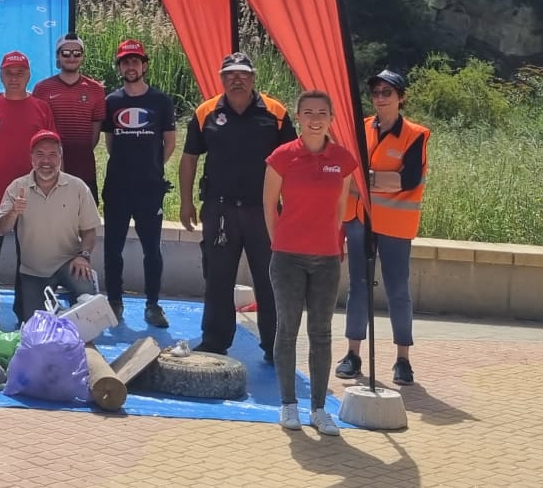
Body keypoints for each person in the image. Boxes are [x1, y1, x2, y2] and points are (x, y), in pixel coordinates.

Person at [178, 51, 295, 358]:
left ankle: (275, 345)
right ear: (221, 79)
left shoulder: (276, 112)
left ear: (253, 78)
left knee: (270, 278)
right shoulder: (206, 112)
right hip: (220, 210)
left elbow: (293, 163)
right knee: (218, 277)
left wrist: (291, 207)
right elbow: (189, 159)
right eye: (230, 74)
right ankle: (215, 341)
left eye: (243, 74)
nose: (237, 79)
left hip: (264, 212)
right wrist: (186, 202)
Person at [264, 90, 355, 436]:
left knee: (321, 333)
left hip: (327, 259)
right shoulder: (282, 157)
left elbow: (340, 207)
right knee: (287, 330)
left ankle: (319, 408)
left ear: (332, 118)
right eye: (308, 113)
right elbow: (269, 205)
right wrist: (280, 242)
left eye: (321, 113)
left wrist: (329, 241)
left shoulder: (342, 160)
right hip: (288, 257)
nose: (315, 119)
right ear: (298, 117)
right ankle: (288, 403)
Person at [337, 69, 430, 386]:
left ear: (401, 97)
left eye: (387, 92)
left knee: (397, 289)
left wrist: (366, 179)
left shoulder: (415, 135)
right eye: (376, 92)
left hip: (394, 224)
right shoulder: (359, 128)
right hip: (359, 220)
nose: (380, 98)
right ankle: (352, 355)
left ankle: (403, 359)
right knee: (358, 286)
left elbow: (408, 180)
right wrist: (379, 180)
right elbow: (346, 174)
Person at [0, 51, 54, 318]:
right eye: (9, 73)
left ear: (29, 75)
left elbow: (52, 152)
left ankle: (25, 311)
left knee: (27, 259)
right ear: (1, 76)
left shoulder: (41, 108)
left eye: (20, 73)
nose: (14, 78)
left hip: (31, 197)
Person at [100, 39, 179, 328]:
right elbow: (110, 144)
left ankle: (153, 305)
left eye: (135, 61)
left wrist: (152, 167)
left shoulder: (161, 101)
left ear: (144, 66)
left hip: (149, 188)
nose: (130, 66)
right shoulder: (112, 101)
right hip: (118, 187)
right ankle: (114, 302)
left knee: (151, 250)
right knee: (112, 249)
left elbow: (170, 143)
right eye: (125, 62)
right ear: (119, 67)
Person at [0, 131, 99, 324]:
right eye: (40, 154)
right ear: (31, 158)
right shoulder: (17, 187)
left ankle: (83, 335)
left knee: (90, 306)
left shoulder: (78, 187)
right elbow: (1, 229)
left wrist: (83, 255)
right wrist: (14, 212)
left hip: (70, 263)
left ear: (60, 157)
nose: (46, 161)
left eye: (52, 154)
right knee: (35, 326)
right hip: (33, 270)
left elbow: (89, 231)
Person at [33, 34, 107, 188]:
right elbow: (37, 129)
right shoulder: (42, 89)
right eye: (66, 53)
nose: (71, 57)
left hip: (84, 168)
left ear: (83, 56)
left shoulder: (96, 89)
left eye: (77, 53)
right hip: (49, 169)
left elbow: (95, 134)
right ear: (57, 56)